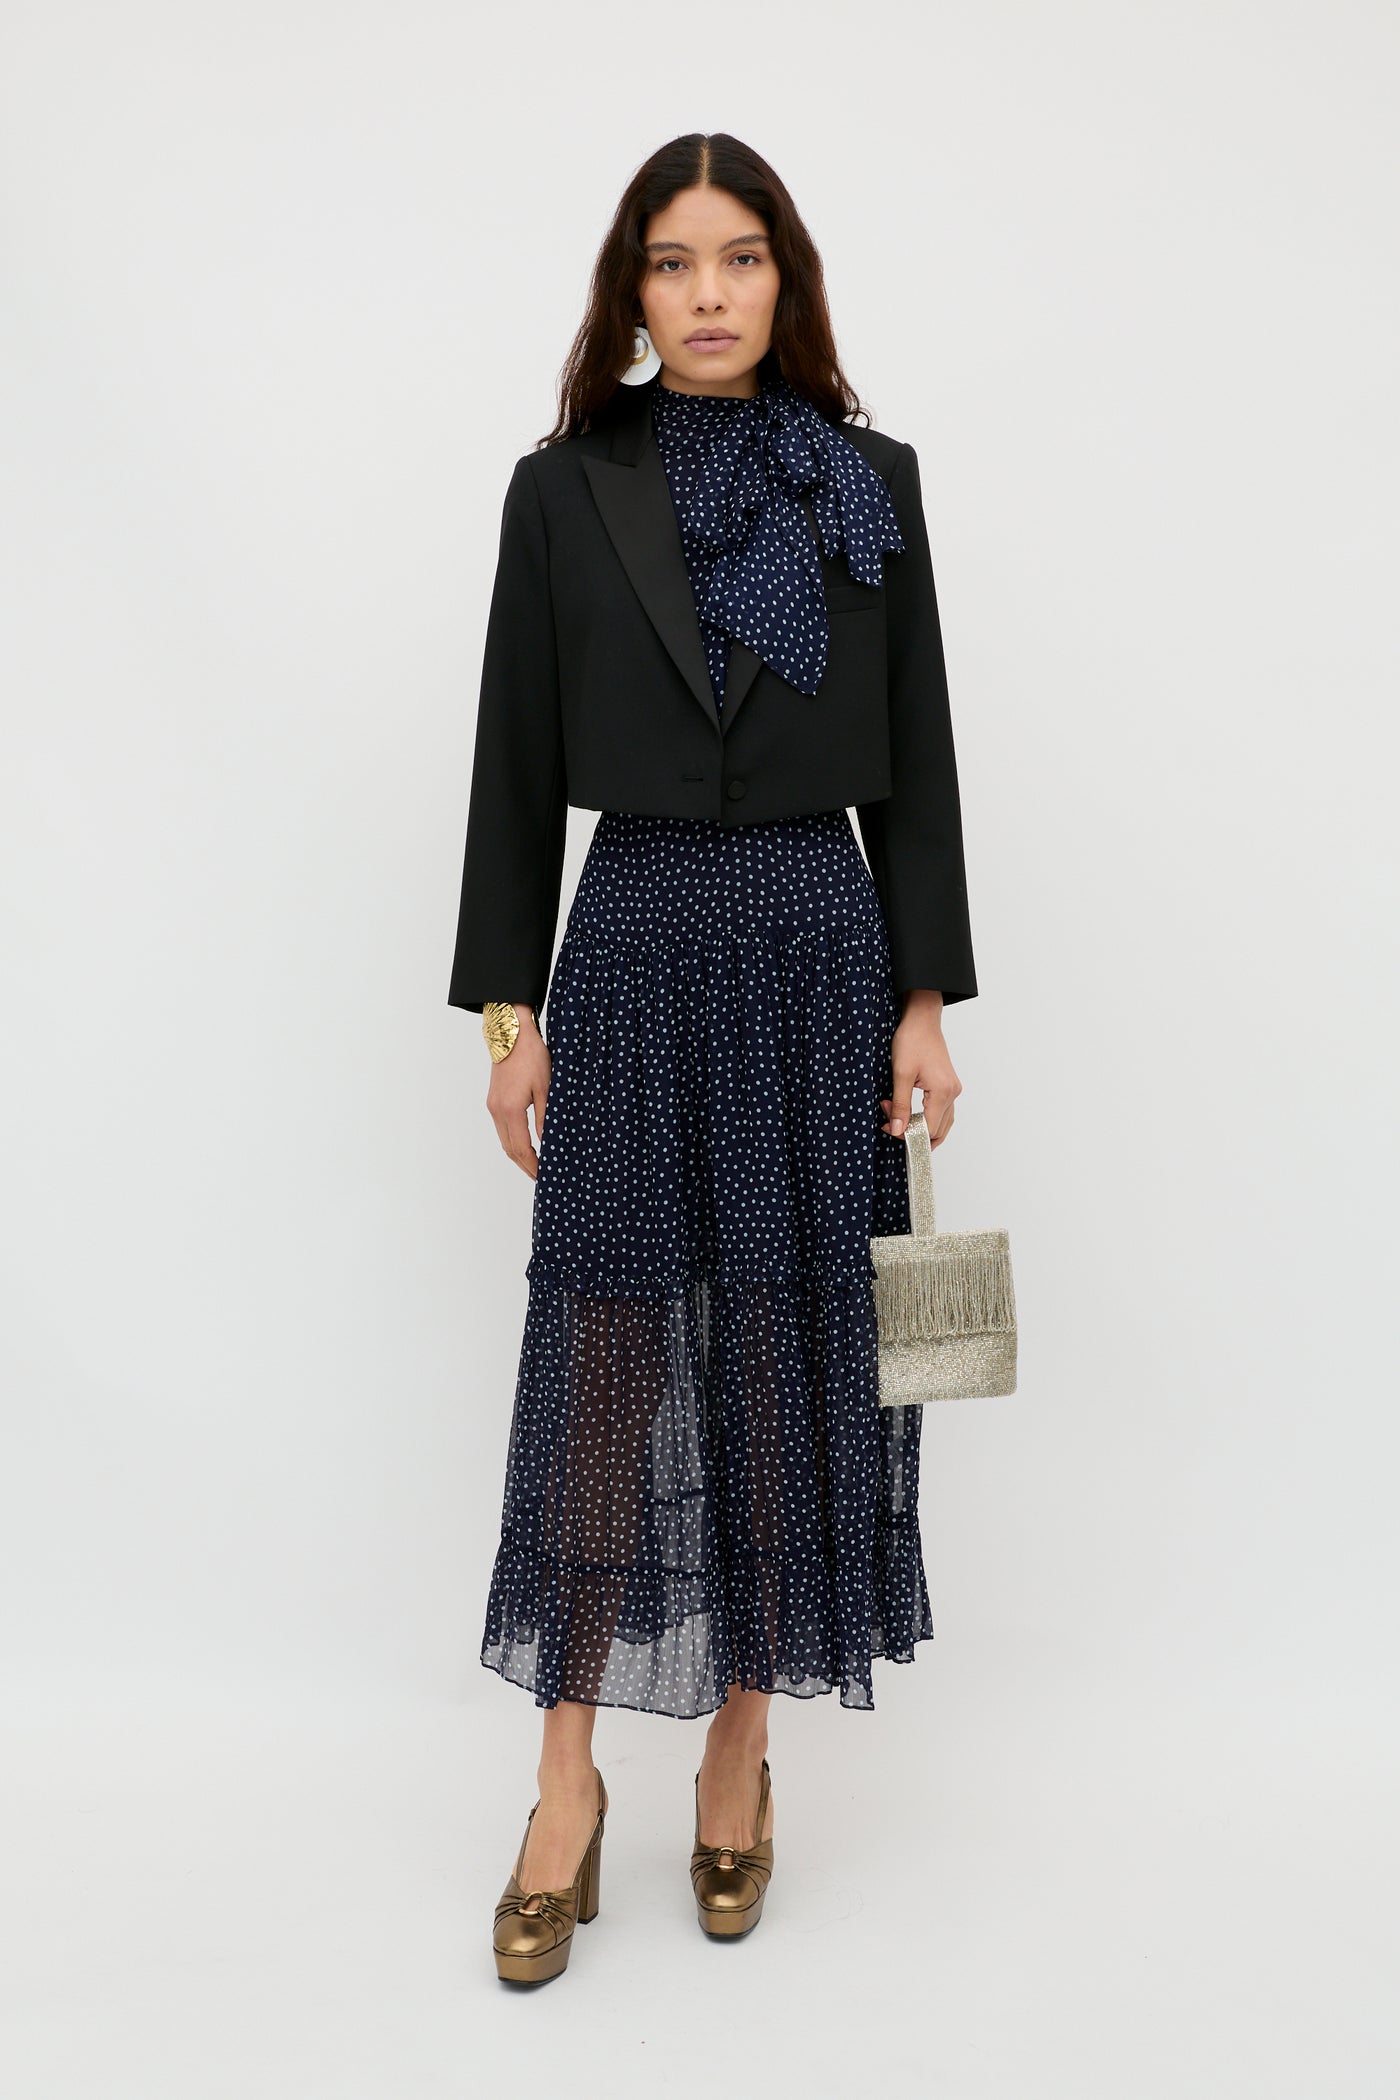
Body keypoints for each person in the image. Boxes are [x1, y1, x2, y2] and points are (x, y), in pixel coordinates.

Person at [447, 132, 979, 1984]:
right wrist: (512, 1015)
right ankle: (568, 1781)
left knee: (778, 1347)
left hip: (819, 950)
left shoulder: (870, 481)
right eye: (673, 263)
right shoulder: (562, 489)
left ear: (787, 280)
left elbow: (914, 754)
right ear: (631, 292)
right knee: (604, 1347)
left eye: (741, 258)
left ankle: (742, 1753)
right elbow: (517, 755)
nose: (709, 292)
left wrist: (923, 995)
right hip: (638, 937)